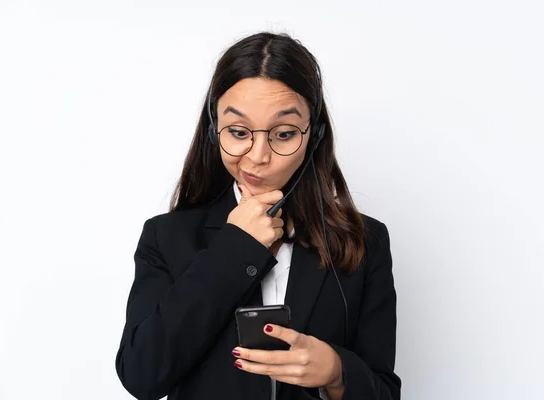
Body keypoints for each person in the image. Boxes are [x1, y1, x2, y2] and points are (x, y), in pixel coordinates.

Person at [115, 31, 401, 400]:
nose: (258, 155)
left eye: (283, 134)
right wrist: (234, 250)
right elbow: (142, 375)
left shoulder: (365, 241)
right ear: (212, 130)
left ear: (313, 136)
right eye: (238, 132)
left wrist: (335, 372)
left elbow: (385, 392)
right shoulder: (166, 237)